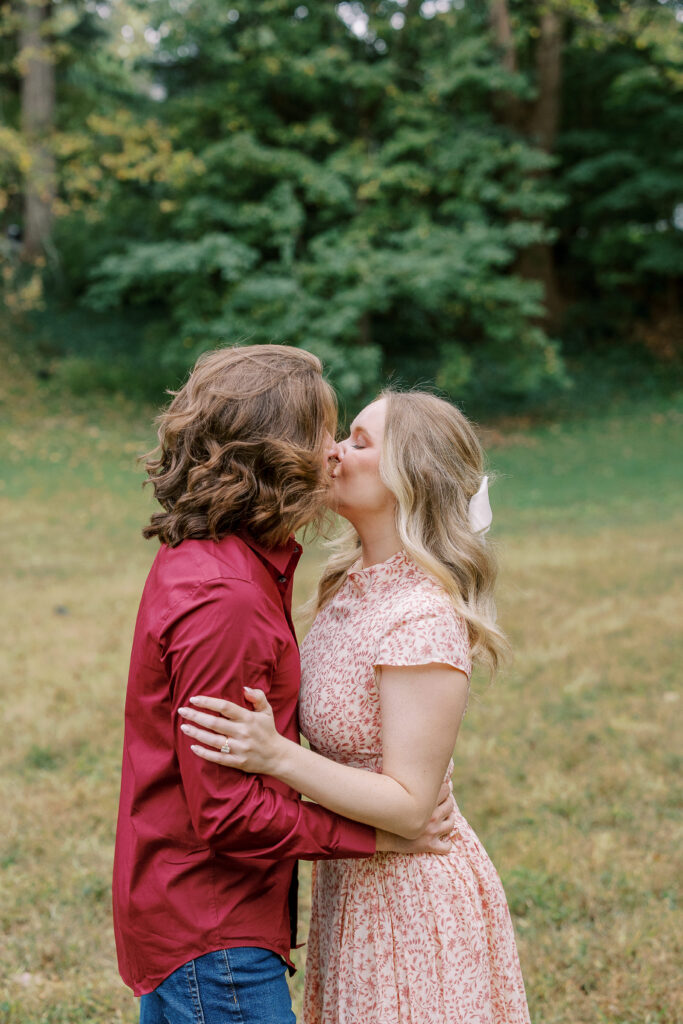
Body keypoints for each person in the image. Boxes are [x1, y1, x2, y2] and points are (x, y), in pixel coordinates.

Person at [112, 348, 455, 1024]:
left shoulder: (230, 563)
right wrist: (379, 839)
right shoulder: (226, 596)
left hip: (197, 914)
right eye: (324, 433)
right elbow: (226, 811)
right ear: (277, 453)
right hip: (213, 928)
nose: (334, 452)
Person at [177, 389, 532, 1024]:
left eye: (359, 442)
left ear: (408, 479)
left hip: (413, 897)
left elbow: (411, 805)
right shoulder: (348, 588)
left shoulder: (420, 615)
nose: (333, 451)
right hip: (354, 884)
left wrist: (277, 756)